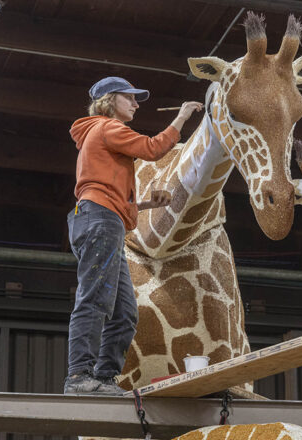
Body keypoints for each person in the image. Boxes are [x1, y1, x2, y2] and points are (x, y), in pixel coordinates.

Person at [64, 76, 203, 395]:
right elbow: (153, 149)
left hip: (100, 217)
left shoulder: (98, 135)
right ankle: (79, 377)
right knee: (95, 297)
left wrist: (142, 204)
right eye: (130, 98)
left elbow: (105, 188)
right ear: (110, 101)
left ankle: (102, 378)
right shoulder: (107, 127)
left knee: (125, 311)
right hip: (100, 219)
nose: (137, 104)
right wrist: (182, 116)